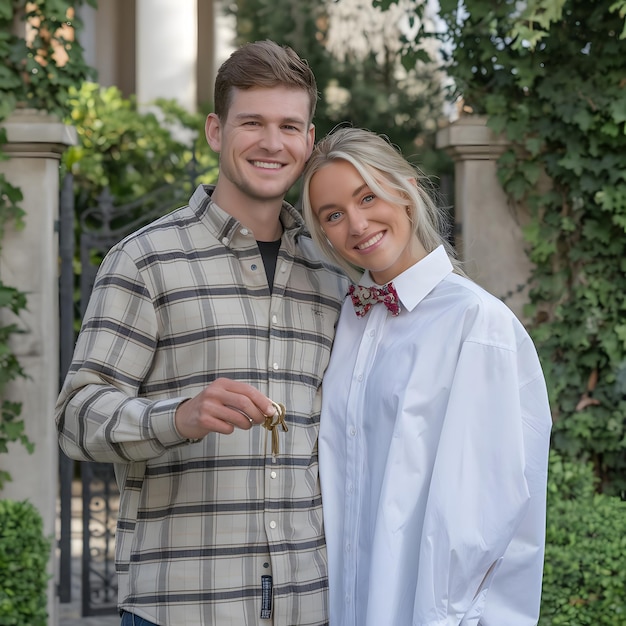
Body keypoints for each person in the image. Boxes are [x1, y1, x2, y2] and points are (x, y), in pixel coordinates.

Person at [55, 41, 348, 626]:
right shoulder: (144, 261)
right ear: (216, 130)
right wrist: (178, 417)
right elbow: (75, 418)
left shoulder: (333, 275)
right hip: (181, 608)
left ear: (309, 142)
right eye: (253, 123)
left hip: (312, 605)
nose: (272, 142)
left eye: (290, 125)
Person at [300, 127, 553, 625]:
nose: (356, 224)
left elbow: (483, 511)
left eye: (367, 196)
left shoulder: (476, 324)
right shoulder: (348, 319)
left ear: (407, 190)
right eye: (333, 215)